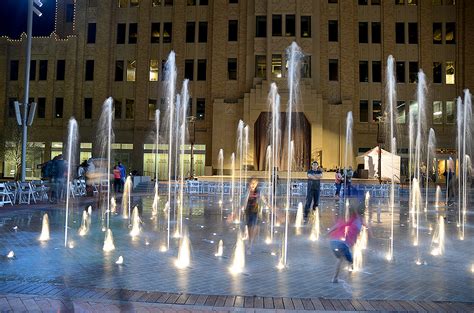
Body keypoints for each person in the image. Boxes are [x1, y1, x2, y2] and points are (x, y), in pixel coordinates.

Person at [327, 200, 365, 283]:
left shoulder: (344, 222)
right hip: (342, 244)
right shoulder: (355, 221)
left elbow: (336, 226)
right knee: (349, 261)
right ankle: (348, 277)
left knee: (340, 259)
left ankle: (336, 278)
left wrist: (328, 232)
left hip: (333, 242)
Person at [245, 178, 260, 254]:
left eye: (255, 183)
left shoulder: (258, 192)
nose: (253, 184)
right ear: (249, 183)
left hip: (255, 212)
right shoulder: (247, 192)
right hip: (248, 212)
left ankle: (251, 243)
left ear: (257, 184)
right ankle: (249, 242)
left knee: (254, 226)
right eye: (252, 183)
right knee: (249, 227)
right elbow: (244, 201)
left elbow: (263, 200)